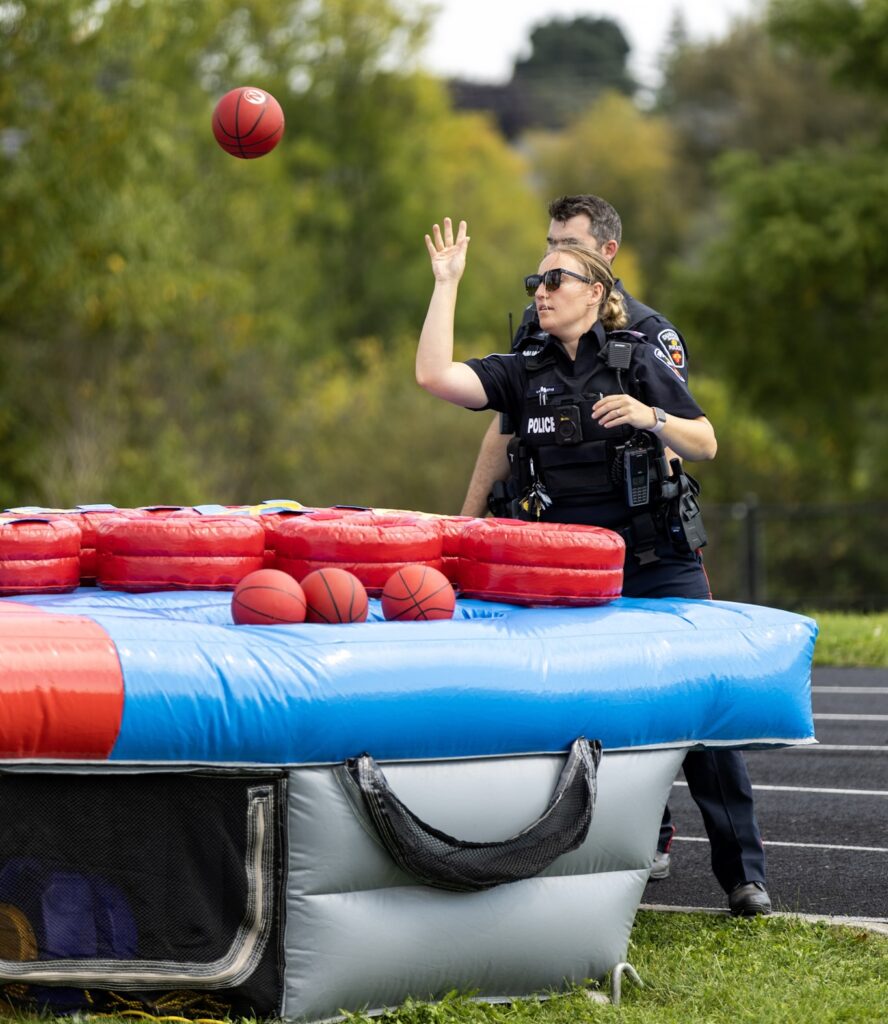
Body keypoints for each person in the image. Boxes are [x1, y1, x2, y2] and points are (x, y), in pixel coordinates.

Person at [417, 216, 771, 917]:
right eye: (535, 282)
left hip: (654, 560)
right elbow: (433, 375)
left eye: (555, 280)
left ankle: (744, 876)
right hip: (568, 578)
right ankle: (578, 870)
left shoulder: (637, 359)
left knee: (702, 716)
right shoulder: (525, 371)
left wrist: (649, 415)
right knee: (568, 714)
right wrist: (446, 286)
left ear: (596, 293)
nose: (541, 293)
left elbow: (705, 442)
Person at [461, 194, 689, 522]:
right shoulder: (535, 323)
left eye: (569, 243)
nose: (556, 254)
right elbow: (507, 426)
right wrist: (465, 524)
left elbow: (676, 440)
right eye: (551, 243)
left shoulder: (647, 330)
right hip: (547, 528)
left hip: (628, 539)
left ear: (608, 251)